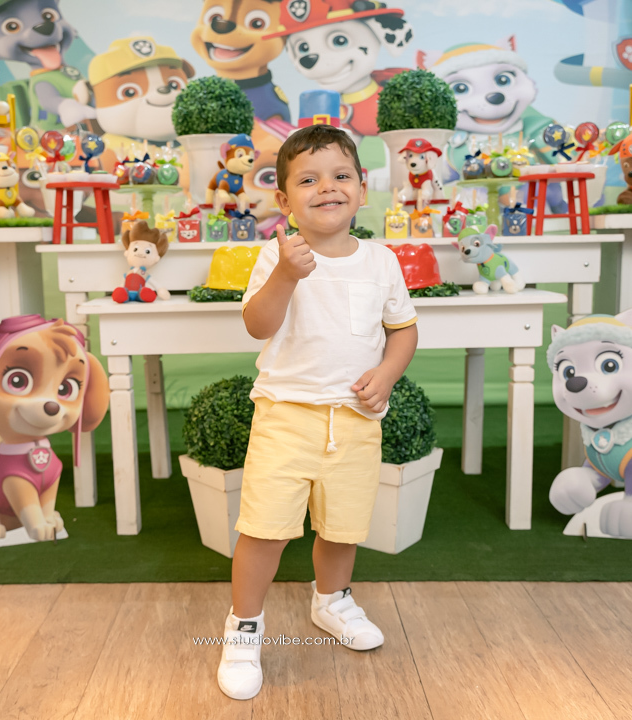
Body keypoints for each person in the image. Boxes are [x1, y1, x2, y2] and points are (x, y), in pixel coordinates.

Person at [217, 124, 419, 700]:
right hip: (287, 416)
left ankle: (332, 600)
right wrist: (287, 273)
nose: (327, 187)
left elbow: (403, 331)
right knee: (264, 529)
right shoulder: (276, 256)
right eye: (308, 180)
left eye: (340, 175)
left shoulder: (381, 260)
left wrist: (387, 374)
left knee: (342, 525)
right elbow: (257, 324)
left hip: (354, 420)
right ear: (284, 201)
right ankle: (243, 628)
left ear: (361, 190)